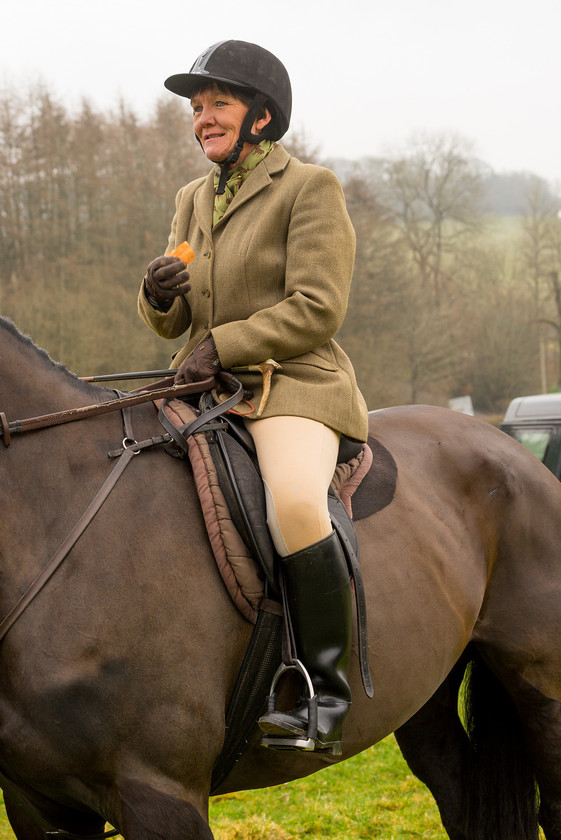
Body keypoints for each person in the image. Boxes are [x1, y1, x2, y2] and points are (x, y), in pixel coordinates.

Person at [138, 40, 369, 755]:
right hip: (204, 384)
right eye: (196, 107)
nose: (202, 118)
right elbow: (180, 320)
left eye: (218, 104)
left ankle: (324, 695)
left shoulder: (309, 188)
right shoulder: (191, 199)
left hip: (290, 385)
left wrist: (225, 345)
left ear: (261, 117)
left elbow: (317, 307)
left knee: (295, 503)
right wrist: (157, 297)